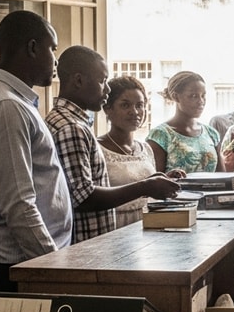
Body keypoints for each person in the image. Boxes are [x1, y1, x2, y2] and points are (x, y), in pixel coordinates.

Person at [0, 10, 71, 294]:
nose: (55, 60)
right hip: (15, 265)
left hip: (27, 261)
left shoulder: (16, 101)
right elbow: (18, 205)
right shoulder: (7, 107)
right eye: (52, 49)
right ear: (33, 47)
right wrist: (54, 268)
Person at [47, 47, 182, 241]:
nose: (107, 89)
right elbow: (83, 197)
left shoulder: (66, 121)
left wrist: (155, 183)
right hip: (90, 244)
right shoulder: (72, 127)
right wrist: (145, 186)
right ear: (78, 81)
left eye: (140, 105)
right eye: (102, 81)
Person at [99, 74, 185, 227]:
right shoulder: (98, 148)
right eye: (125, 105)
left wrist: (165, 179)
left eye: (139, 105)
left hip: (147, 225)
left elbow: (146, 188)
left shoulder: (145, 149)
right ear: (108, 109)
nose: (134, 111)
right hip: (114, 226)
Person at [146, 70, 223, 174]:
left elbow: (222, 176)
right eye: (193, 96)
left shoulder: (211, 134)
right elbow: (154, 179)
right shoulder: (160, 135)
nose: (201, 101)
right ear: (176, 97)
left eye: (203, 95)